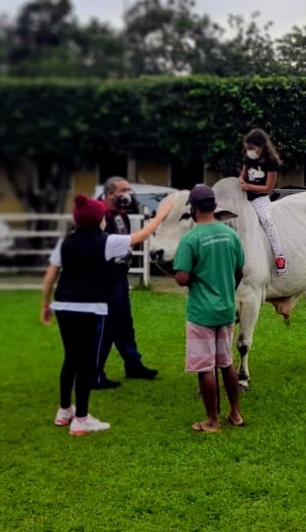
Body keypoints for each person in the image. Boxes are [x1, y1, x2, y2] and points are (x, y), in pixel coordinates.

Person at [40, 194, 174, 436]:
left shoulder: (65, 242)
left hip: (63, 305)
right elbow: (142, 236)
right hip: (91, 307)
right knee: (86, 363)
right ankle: (81, 419)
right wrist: (161, 215)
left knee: (70, 358)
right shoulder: (107, 241)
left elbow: (50, 277)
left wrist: (45, 305)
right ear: (98, 220)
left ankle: (64, 411)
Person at [173, 184, 246, 433]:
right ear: (214, 206)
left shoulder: (191, 239)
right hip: (226, 310)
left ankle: (212, 420)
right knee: (226, 364)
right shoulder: (231, 235)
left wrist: (193, 274)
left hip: (201, 313)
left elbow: (182, 278)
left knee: (205, 367)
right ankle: (235, 413)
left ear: (193, 209)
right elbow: (239, 271)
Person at [95, 177, 158, 387]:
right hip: (105, 278)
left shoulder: (122, 216)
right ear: (110, 193)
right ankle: (95, 373)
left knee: (124, 324)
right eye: (123, 190)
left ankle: (133, 364)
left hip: (120, 277)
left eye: (128, 190)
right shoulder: (100, 214)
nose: (127, 194)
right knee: (105, 327)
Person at [239, 128, 287, 276]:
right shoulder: (248, 159)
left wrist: (249, 186)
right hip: (245, 198)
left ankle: (279, 256)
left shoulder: (271, 163)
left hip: (260, 198)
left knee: (266, 220)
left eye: (252, 148)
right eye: (248, 148)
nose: (250, 151)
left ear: (260, 146)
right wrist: (241, 183)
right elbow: (242, 175)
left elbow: (268, 188)